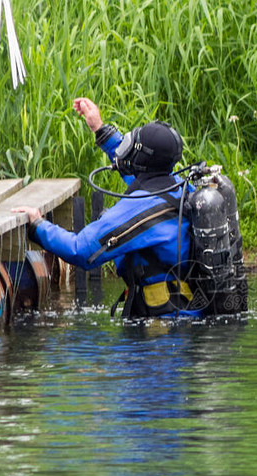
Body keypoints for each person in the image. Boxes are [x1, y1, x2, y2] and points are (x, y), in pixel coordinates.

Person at [13, 98, 202, 319]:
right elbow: (138, 171)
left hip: (159, 337)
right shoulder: (182, 189)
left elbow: (80, 250)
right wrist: (99, 128)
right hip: (190, 314)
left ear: (142, 157)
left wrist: (38, 225)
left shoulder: (139, 210)